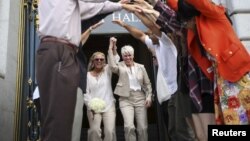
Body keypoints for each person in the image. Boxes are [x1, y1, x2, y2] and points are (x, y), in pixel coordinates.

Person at [36, 0, 135, 140]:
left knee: (58, 121)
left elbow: (89, 9)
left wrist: (119, 6)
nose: (99, 61)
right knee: (59, 119)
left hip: (60, 51)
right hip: (60, 51)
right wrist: (120, 5)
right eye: (97, 59)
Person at [108, 43, 152, 141]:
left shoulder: (141, 67)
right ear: (122, 57)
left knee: (143, 128)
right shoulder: (119, 66)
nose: (127, 58)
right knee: (129, 126)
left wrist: (148, 97)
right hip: (125, 99)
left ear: (133, 55)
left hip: (140, 98)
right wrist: (111, 48)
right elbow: (112, 66)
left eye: (129, 55)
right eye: (125, 56)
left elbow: (148, 84)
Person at [83, 37, 120, 141]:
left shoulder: (108, 70)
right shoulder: (87, 75)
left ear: (104, 61)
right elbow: (85, 93)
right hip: (93, 108)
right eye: (97, 59)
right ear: (93, 61)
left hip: (109, 105)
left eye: (101, 59)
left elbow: (115, 60)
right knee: (94, 130)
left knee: (109, 131)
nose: (99, 61)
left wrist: (111, 47)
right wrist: (91, 104)